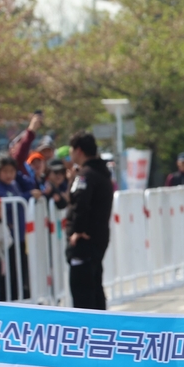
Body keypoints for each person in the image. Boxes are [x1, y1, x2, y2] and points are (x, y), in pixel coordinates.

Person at [65, 132, 114, 310]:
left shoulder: (86, 175)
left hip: (84, 242)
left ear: (78, 150)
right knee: (95, 287)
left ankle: (86, 334)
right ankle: (101, 330)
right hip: (99, 238)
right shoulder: (102, 173)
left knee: (82, 292)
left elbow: (81, 203)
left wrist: (77, 230)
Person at [0, 155, 32, 301]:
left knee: (20, 271)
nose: (9, 175)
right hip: (6, 239)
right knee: (8, 274)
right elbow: (0, 204)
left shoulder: (14, 185)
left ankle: (19, 299)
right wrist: (27, 196)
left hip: (19, 237)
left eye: (12, 171)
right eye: (5, 171)